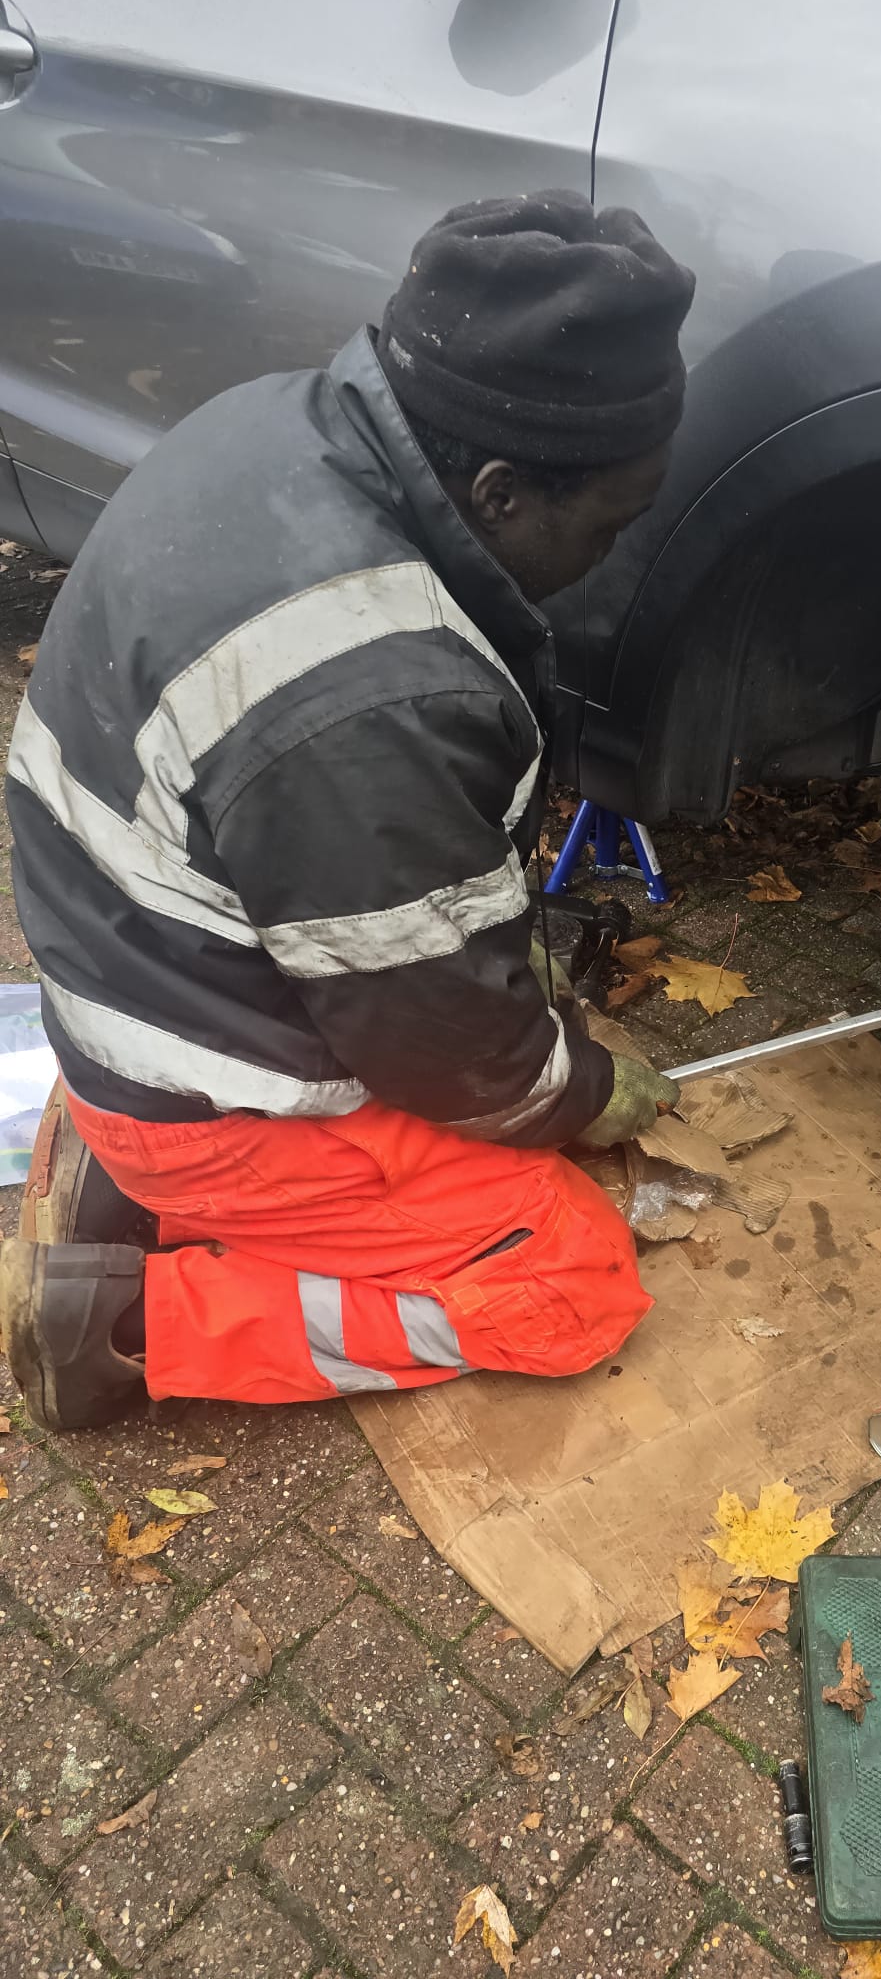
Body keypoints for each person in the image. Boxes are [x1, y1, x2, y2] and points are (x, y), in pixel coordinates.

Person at [0, 192, 696, 1430]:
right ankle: (122, 1327)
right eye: (613, 520)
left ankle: (144, 1185)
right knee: (568, 1278)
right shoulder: (372, 690)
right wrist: (581, 1091)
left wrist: (509, 982)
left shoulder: (282, 421)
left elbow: (383, 897)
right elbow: (442, 1052)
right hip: (203, 1089)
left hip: (139, 979)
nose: (617, 551)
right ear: (500, 493)